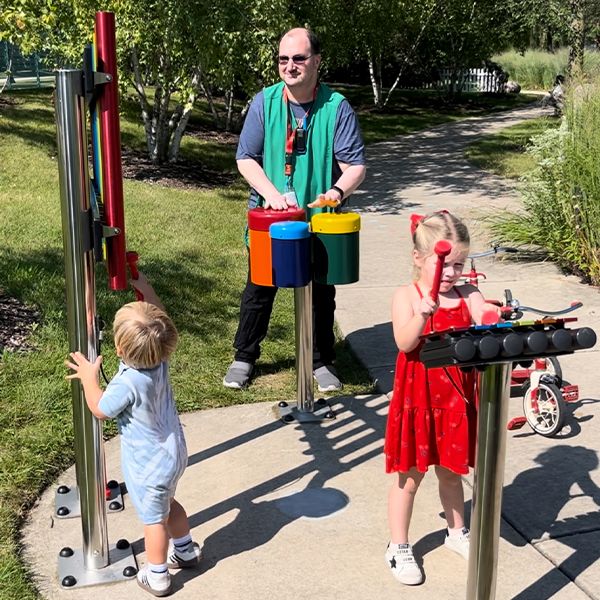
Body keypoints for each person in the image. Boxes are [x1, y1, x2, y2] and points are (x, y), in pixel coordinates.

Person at [223, 27, 366, 392]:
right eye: (283, 59)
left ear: (317, 62)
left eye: (299, 58)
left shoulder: (336, 108)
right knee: (259, 289)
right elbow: (245, 158)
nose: (290, 66)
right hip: (271, 220)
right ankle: (244, 357)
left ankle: (321, 361)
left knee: (321, 293)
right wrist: (271, 194)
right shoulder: (265, 102)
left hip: (319, 222)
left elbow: (355, 166)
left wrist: (335, 192)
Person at [65, 274, 201, 597]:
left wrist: (88, 377)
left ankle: (158, 576)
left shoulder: (126, 385)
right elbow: (160, 320)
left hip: (148, 465)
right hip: (173, 452)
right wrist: (147, 291)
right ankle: (185, 551)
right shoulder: (161, 359)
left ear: (118, 348)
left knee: (154, 521)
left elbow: (99, 408)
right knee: (168, 506)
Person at [383, 211, 500, 585]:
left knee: (452, 472)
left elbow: (483, 314)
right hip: (419, 399)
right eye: (443, 264)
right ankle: (398, 546)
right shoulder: (408, 295)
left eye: (459, 265)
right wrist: (420, 315)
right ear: (419, 258)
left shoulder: (468, 293)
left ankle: (456, 531)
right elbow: (404, 342)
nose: (451, 274)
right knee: (410, 477)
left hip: (456, 400)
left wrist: (493, 314)